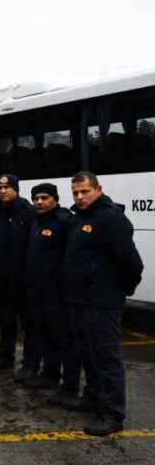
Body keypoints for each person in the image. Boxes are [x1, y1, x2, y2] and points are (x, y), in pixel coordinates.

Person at [62, 171, 143, 437]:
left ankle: (112, 412)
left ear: (98, 189)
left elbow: (132, 263)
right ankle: (93, 398)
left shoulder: (110, 219)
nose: (80, 197)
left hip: (101, 302)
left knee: (106, 358)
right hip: (79, 300)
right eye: (75, 192)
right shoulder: (80, 218)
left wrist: (120, 290)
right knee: (88, 354)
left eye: (85, 191)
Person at [23, 183, 81, 404]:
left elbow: (70, 257)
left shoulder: (64, 222)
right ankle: (50, 375)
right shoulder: (38, 221)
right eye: (36, 198)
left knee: (66, 340)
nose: (39, 202)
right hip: (38, 291)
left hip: (57, 293)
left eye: (44, 197)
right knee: (46, 335)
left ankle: (70, 385)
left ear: (55, 199)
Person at [0, 174, 42, 381]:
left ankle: (30, 364)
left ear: (16, 189)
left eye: (7, 187)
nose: (3, 191)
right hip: (1, 278)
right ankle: (5, 356)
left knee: (30, 324)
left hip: (23, 280)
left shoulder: (27, 211)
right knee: (5, 321)